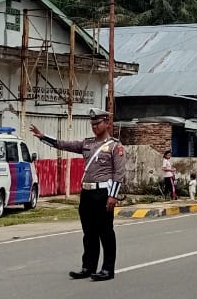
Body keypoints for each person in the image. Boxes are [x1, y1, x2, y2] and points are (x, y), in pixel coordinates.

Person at [30, 110, 125, 281]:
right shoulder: (86, 144)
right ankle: (88, 266)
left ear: (107, 124)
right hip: (87, 193)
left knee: (106, 232)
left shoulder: (115, 146)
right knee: (89, 233)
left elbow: (119, 173)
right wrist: (42, 137)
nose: (95, 127)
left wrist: (113, 196)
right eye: (93, 125)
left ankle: (107, 269)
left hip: (103, 193)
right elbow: (63, 144)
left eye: (98, 124)